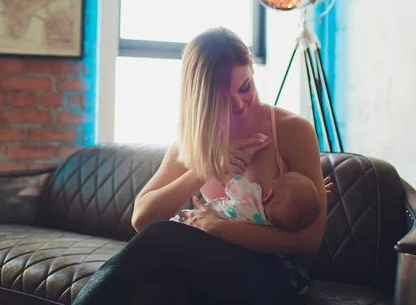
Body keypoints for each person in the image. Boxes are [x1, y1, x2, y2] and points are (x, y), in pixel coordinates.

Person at [73, 27, 334, 305]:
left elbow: (309, 240)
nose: (239, 104)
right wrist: (205, 168)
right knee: (155, 287)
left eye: (245, 87)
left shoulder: (293, 130)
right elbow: (142, 218)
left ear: (253, 73)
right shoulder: (192, 140)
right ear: (201, 97)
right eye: (223, 97)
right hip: (215, 266)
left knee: (160, 239)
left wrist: (216, 227)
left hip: (279, 273)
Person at [171, 160, 322, 233]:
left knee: (163, 230)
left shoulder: (250, 196)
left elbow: (227, 175)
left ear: (268, 195)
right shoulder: (269, 225)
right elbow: (294, 203)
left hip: (192, 224)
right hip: (209, 238)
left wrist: (222, 160)